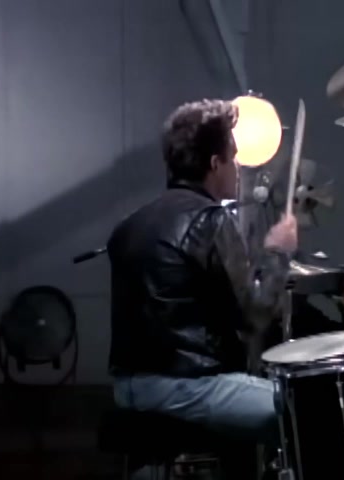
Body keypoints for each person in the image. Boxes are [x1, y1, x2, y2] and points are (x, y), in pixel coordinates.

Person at [106, 99, 297, 461]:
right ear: (214, 163)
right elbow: (255, 316)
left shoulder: (128, 226)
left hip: (128, 387)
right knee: (304, 409)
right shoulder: (211, 220)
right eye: (233, 158)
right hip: (188, 386)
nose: (237, 169)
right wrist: (278, 253)